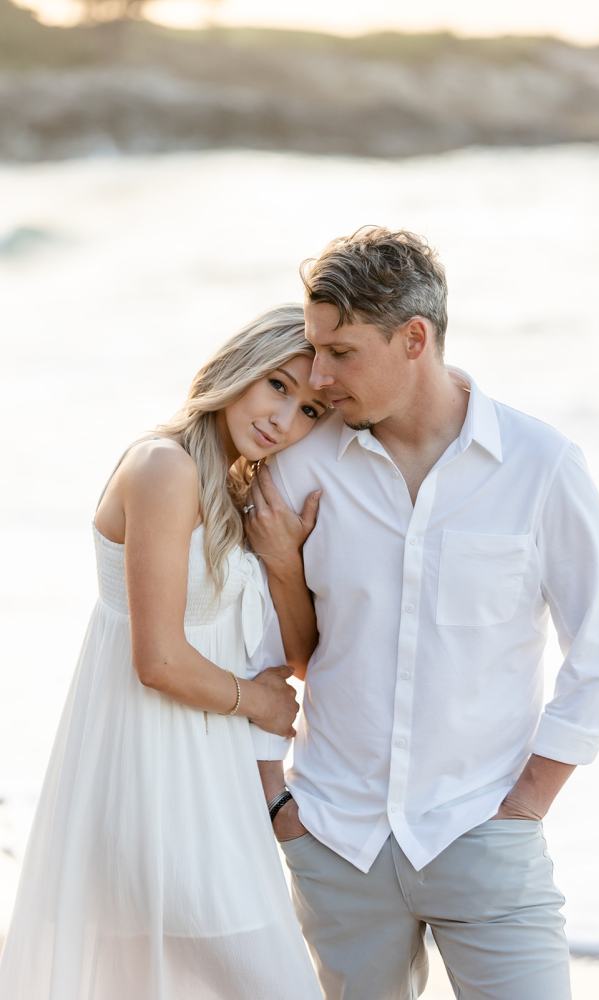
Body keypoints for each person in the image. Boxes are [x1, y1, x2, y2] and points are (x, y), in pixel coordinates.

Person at [248, 229, 599, 1000]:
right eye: (315, 349)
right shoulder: (299, 468)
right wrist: (278, 808)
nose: (319, 375)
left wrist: (525, 806)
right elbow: (261, 654)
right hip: (333, 838)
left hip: (482, 832)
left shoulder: (539, 465)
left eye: (342, 353)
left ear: (414, 338)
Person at [0, 304, 324, 1000]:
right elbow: (160, 660)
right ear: (239, 365)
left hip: (208, 793)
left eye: (308, 411)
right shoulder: (162, 467)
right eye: (277, 385)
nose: (284, 419)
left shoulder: (236, 489)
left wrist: (283, 559)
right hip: (156, 795)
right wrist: (259, 700)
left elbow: (296, 657)